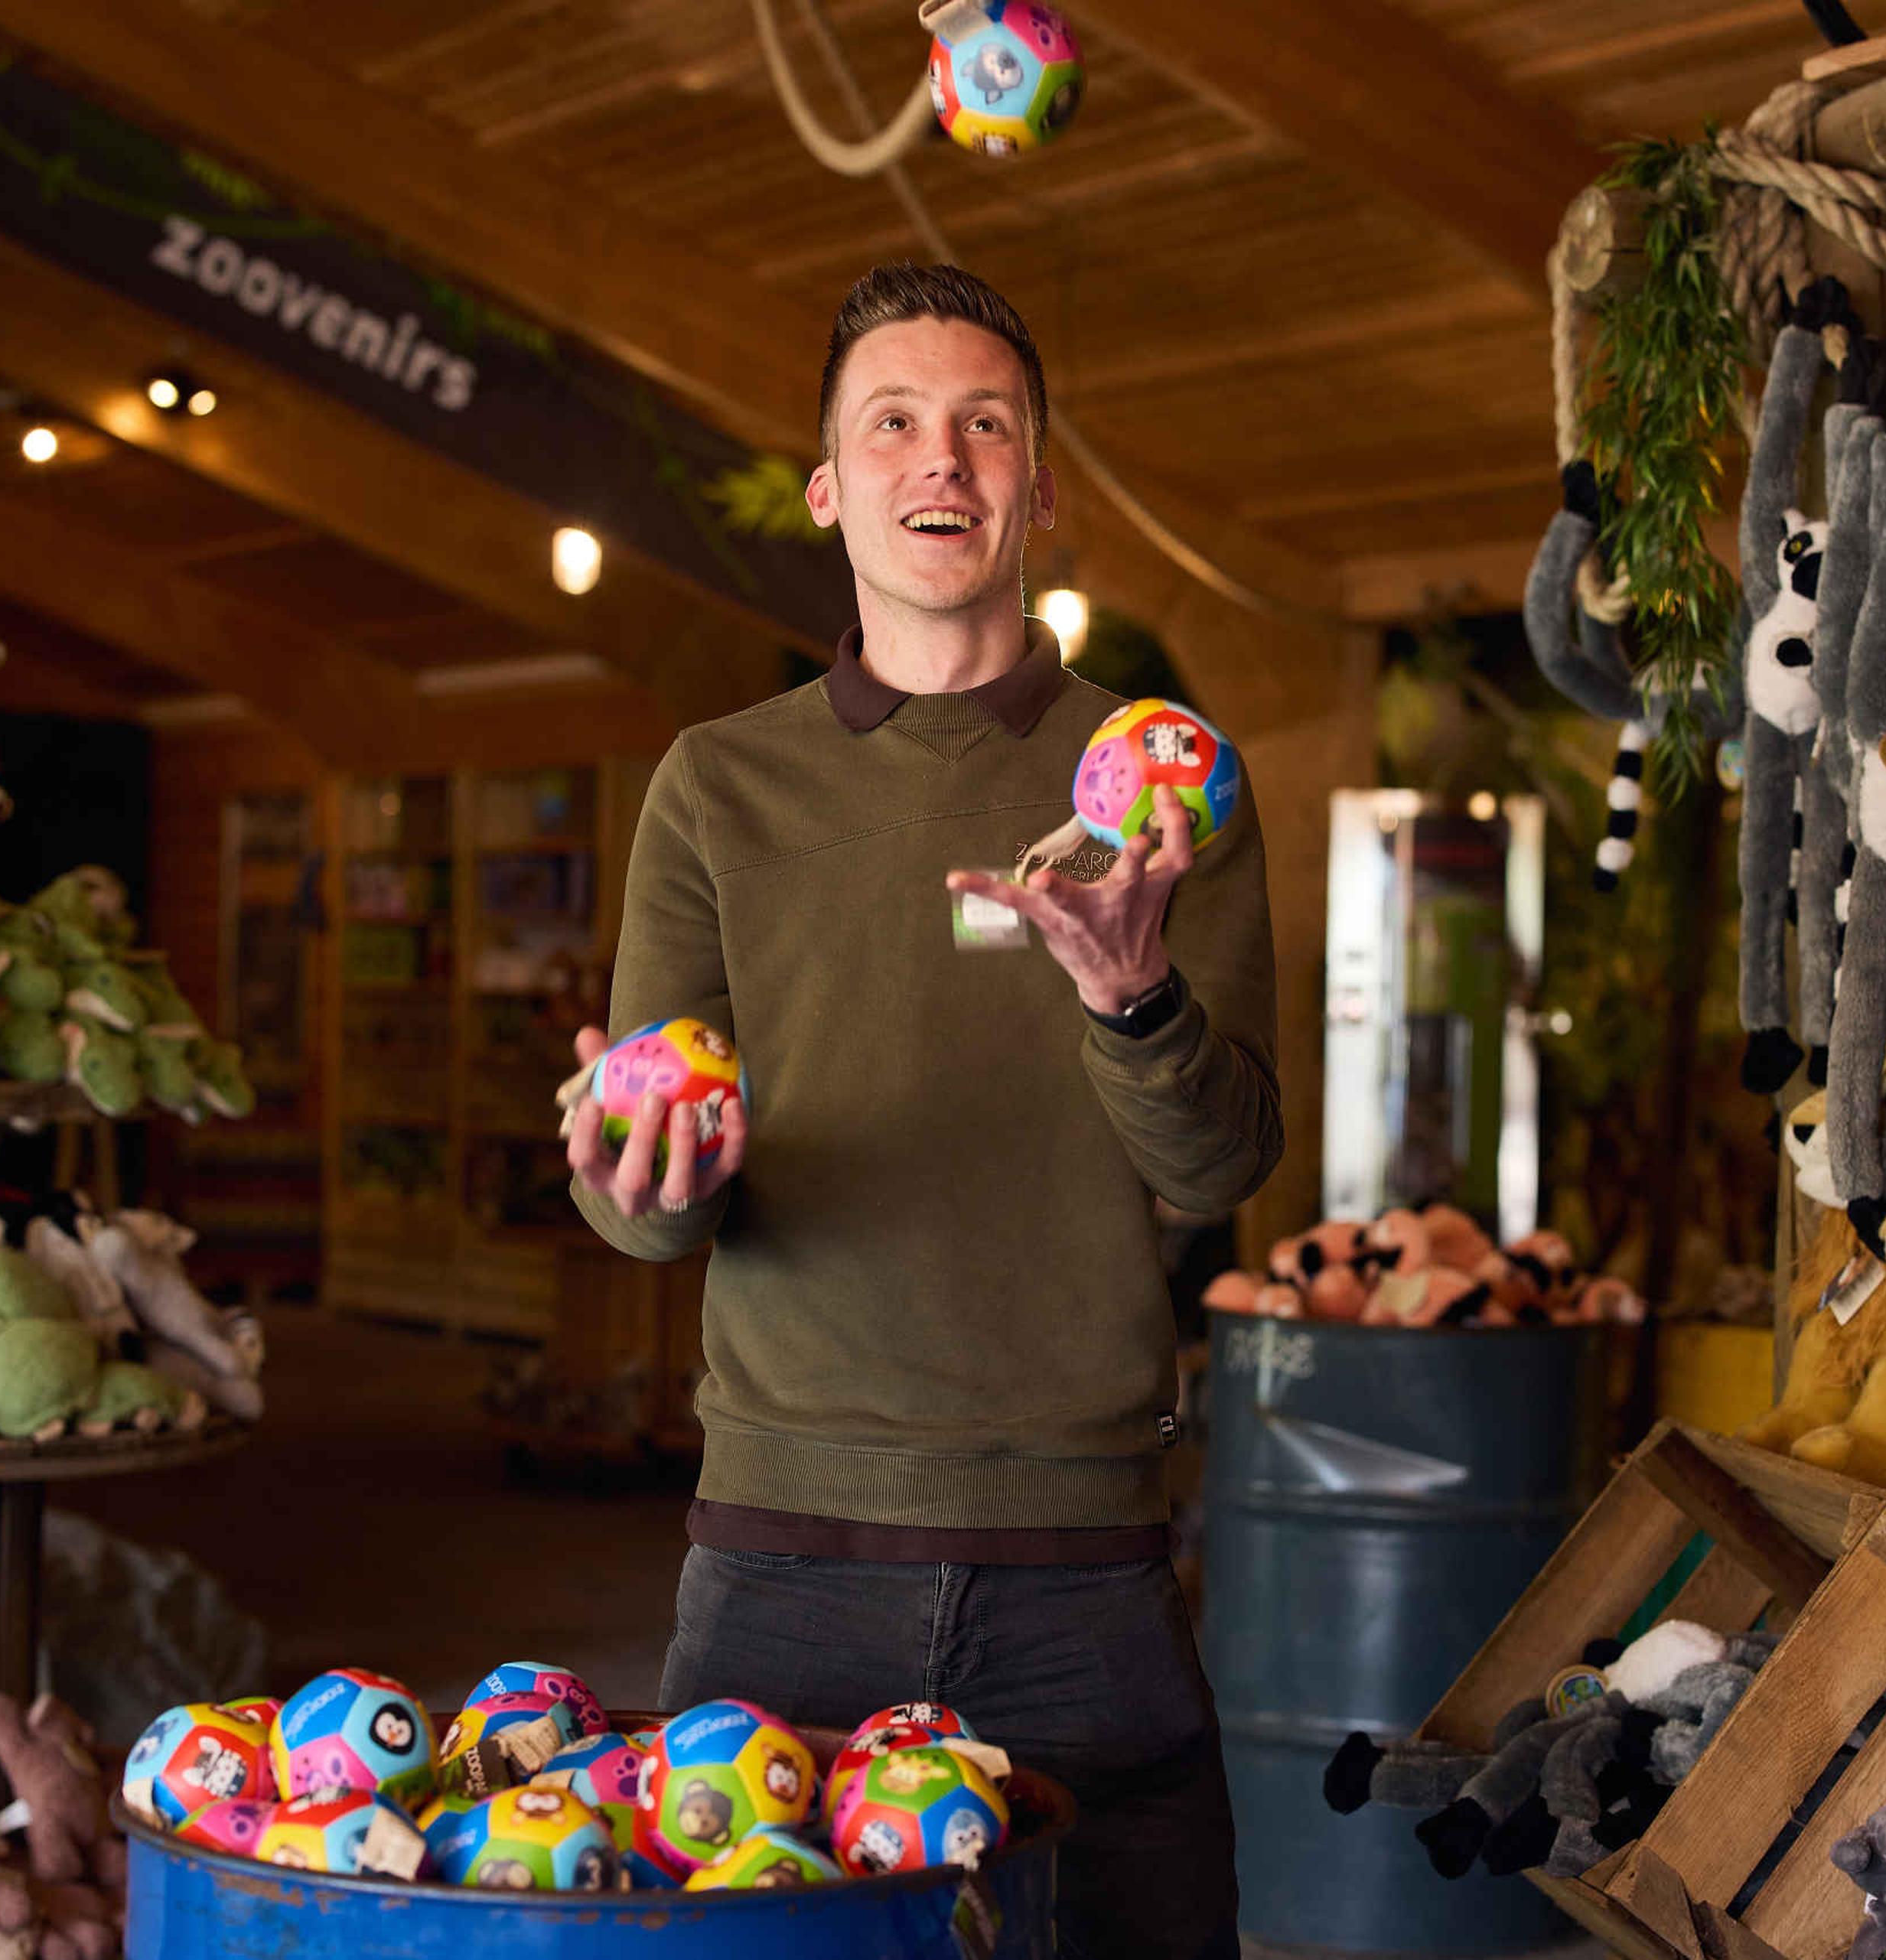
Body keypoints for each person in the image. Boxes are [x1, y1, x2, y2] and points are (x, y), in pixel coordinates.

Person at [567, 262, 1279, 1958]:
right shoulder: (721, 784)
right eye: (893, 422)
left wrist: (1132, 993)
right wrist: (653, 1164)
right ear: (833, 490)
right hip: (780, 1570)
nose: (939, 458)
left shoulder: (1164, 784)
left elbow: (1224, 1161)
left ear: (1039, 484)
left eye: (984, 424)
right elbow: (647, 1206)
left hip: (1083, 1562)